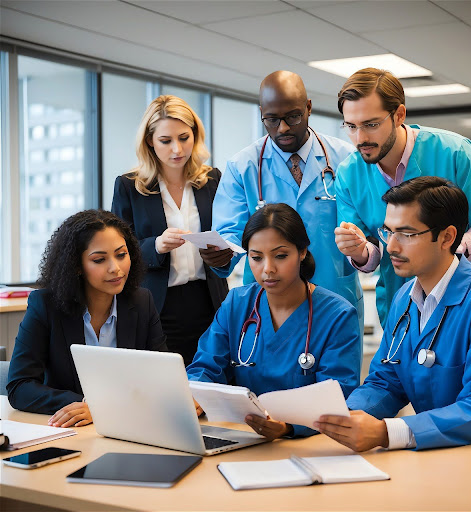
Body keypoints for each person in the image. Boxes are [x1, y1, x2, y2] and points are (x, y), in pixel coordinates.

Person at [314, 177, 471, 451]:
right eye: (388, 232)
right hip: (434, 452)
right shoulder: (404, 298)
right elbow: (386, 381)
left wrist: (387, 432)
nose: (391, 247)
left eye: (406, 234)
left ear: (447, 237)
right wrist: (344, 418)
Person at [334, 67, 471, 326]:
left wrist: (446, 252)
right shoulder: (349, 173)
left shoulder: (455, 152)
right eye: (351, 126)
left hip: (468, 296)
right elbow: (371, 251)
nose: (360, 138)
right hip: (402, 303)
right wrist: (359, 252)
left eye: (371, 124)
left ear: (399, 115)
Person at [187, 203, 361, 440]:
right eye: (256, 258)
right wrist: (194, 394)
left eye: (280, 256)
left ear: (302, 252)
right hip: (243, 436)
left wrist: (289, 426)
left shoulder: (337, 315)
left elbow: (337, 396)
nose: (268, 269)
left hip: (311, 442)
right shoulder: (237, 304)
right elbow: (205, 367)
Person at [208, 70, 364, 332]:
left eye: (293, 116)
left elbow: (365, 228)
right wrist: (221, 256)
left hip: (334, 296)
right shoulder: (242, 166)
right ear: (261, 114)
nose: (282, 128)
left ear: (308, 108)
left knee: (335, 372)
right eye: (271, 119)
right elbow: (229, 237)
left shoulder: (346, 159)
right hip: (268, 301)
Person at [7, 210, 168, 427]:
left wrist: (106, 407)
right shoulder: (45, 305)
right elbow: (20, 386)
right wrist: (84, 404)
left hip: (129, 426)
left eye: (121, 255)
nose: (116, 268)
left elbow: (162, 380)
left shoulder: (142, 302)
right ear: (76, 265)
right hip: (69, 433)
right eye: (100, 259)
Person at [112, 95, 228, 365]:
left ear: (195, 135)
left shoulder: (212, 180)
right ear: (150, 141)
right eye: (166, 141)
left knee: (210, 384)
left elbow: (229, 232)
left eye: (184, 138)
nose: (177, 149)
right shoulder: (129, 186)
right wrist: (155, 246)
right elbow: (118, 250)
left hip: (208, 301)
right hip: (157, 305)